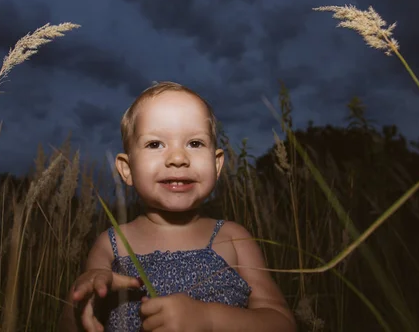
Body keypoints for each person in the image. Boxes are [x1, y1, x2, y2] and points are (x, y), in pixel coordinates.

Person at [62, 82, 296, 332]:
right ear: (127, 170)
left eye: (194, 143)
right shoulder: (112, 244)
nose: (177, 158)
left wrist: (209, 319)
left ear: (216, 165)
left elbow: (282, 322)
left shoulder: (234, 239)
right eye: (155, 144)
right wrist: (78, 299)